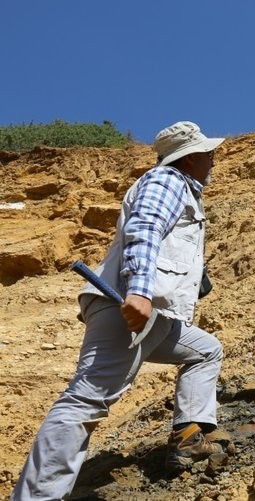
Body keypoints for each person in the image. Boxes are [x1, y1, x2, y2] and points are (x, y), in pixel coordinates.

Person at [12, 121, 226, 500]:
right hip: (125, 306)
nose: (213, 159)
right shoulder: (168, 181)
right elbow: (145, 229)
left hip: (157, 319)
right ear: (191, 157)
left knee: (206, 349)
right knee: (86, 400)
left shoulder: (186, 191)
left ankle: (188, 435)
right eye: (208, 153)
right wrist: (140, 292)